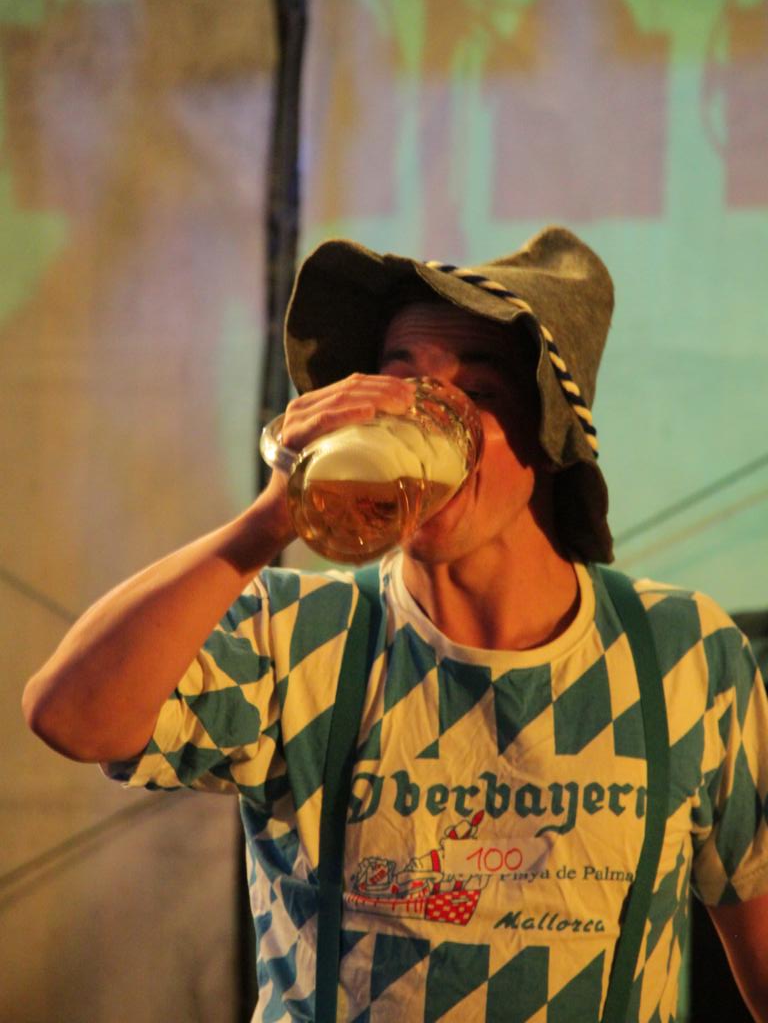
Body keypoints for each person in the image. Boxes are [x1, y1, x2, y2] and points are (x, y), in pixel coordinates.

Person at [23, 227, 768, 1022]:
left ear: (550, 437)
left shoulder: (681, 653)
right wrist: (275, 513)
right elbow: (72, 717)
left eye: (479, 391)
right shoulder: (299, 634)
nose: (422, 415)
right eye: (398, 380)